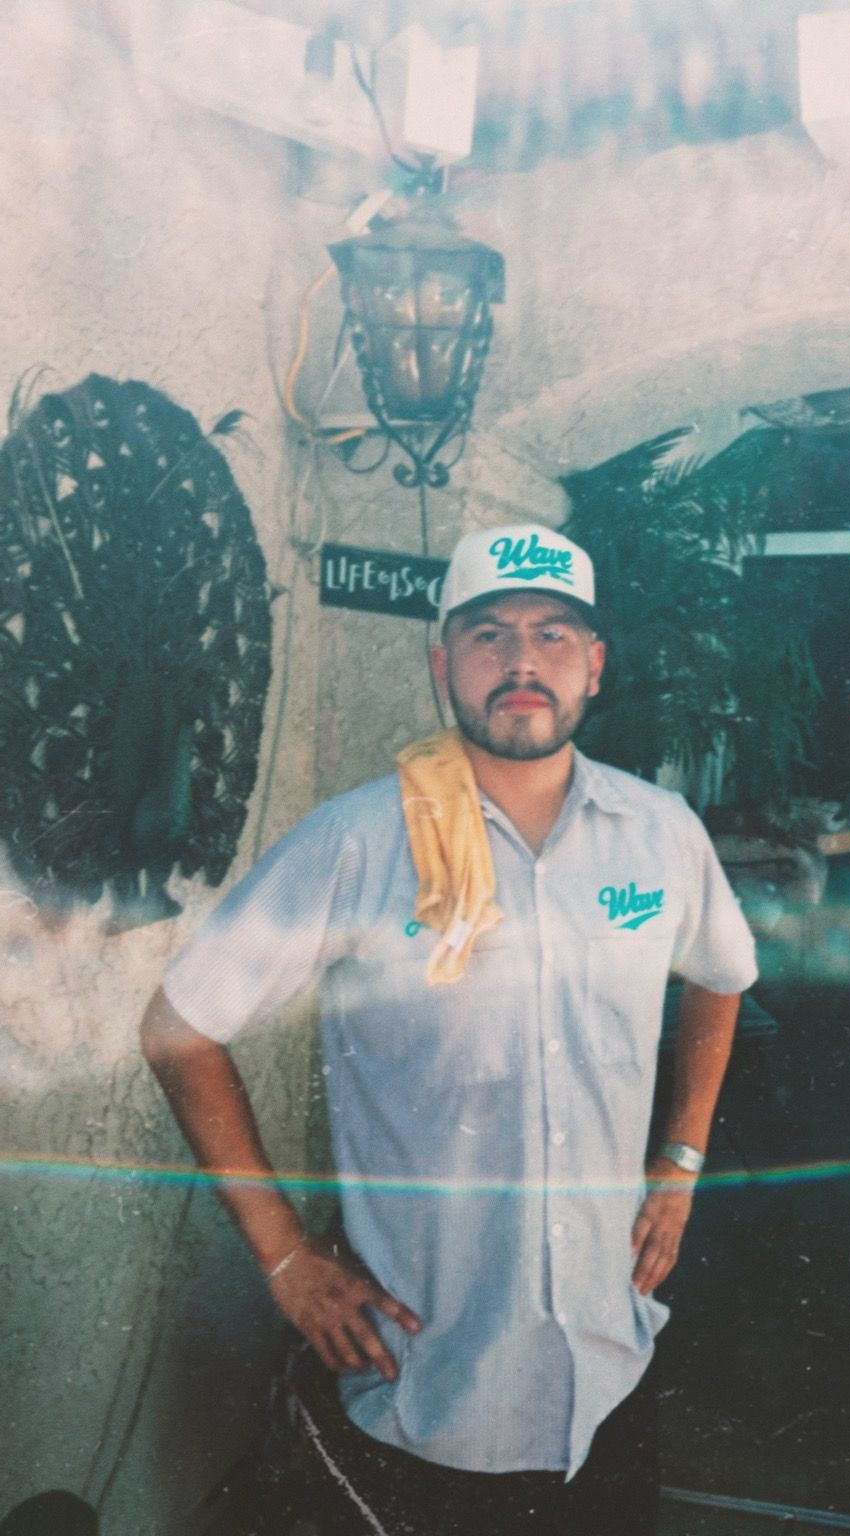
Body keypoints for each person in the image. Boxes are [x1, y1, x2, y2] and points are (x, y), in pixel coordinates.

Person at [141, 522, 757, 1535]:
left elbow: (723, 977)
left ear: (594, 667)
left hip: (609, 1376)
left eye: (555, 634)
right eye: (489, 634)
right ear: (443, 667)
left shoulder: (661, 833)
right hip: (425, 1395)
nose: (522, 659)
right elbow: (179, 1028)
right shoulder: (355, 841)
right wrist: (287, 1258)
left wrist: (680, 1158)